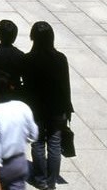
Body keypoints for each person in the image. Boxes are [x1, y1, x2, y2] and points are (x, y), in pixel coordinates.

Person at [23, 22, 73, 190]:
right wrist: (68, 109)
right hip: (57, 108)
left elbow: (26, 86)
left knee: (37, 143)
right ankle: (51, 181)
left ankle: (40, 179)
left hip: (36, 108)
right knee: (54, 143)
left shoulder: (28, 60)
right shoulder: (60, 59)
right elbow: (66, 86)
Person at [0, 70, 38, 190]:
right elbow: (34, 134)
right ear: (10, 87)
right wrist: (18, 139)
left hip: (0, 168)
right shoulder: (23, 107)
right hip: (19, 163)